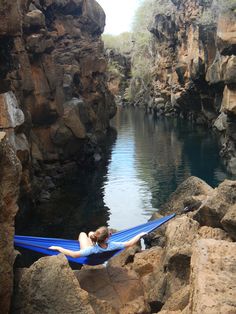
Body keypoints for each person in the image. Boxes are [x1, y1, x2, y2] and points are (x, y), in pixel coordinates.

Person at [49, 226, 147, 258]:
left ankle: (90, 237)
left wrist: (58, 248)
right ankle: (91, 236)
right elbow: (130, 243)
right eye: (109, 234)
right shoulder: (112, 245)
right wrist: (139, 234)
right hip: (98, 246)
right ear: (106, 239)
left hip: (88, 248)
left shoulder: (91, 250)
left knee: (83, 234)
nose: (110, 234)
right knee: (91, 233)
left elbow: (74, 254)